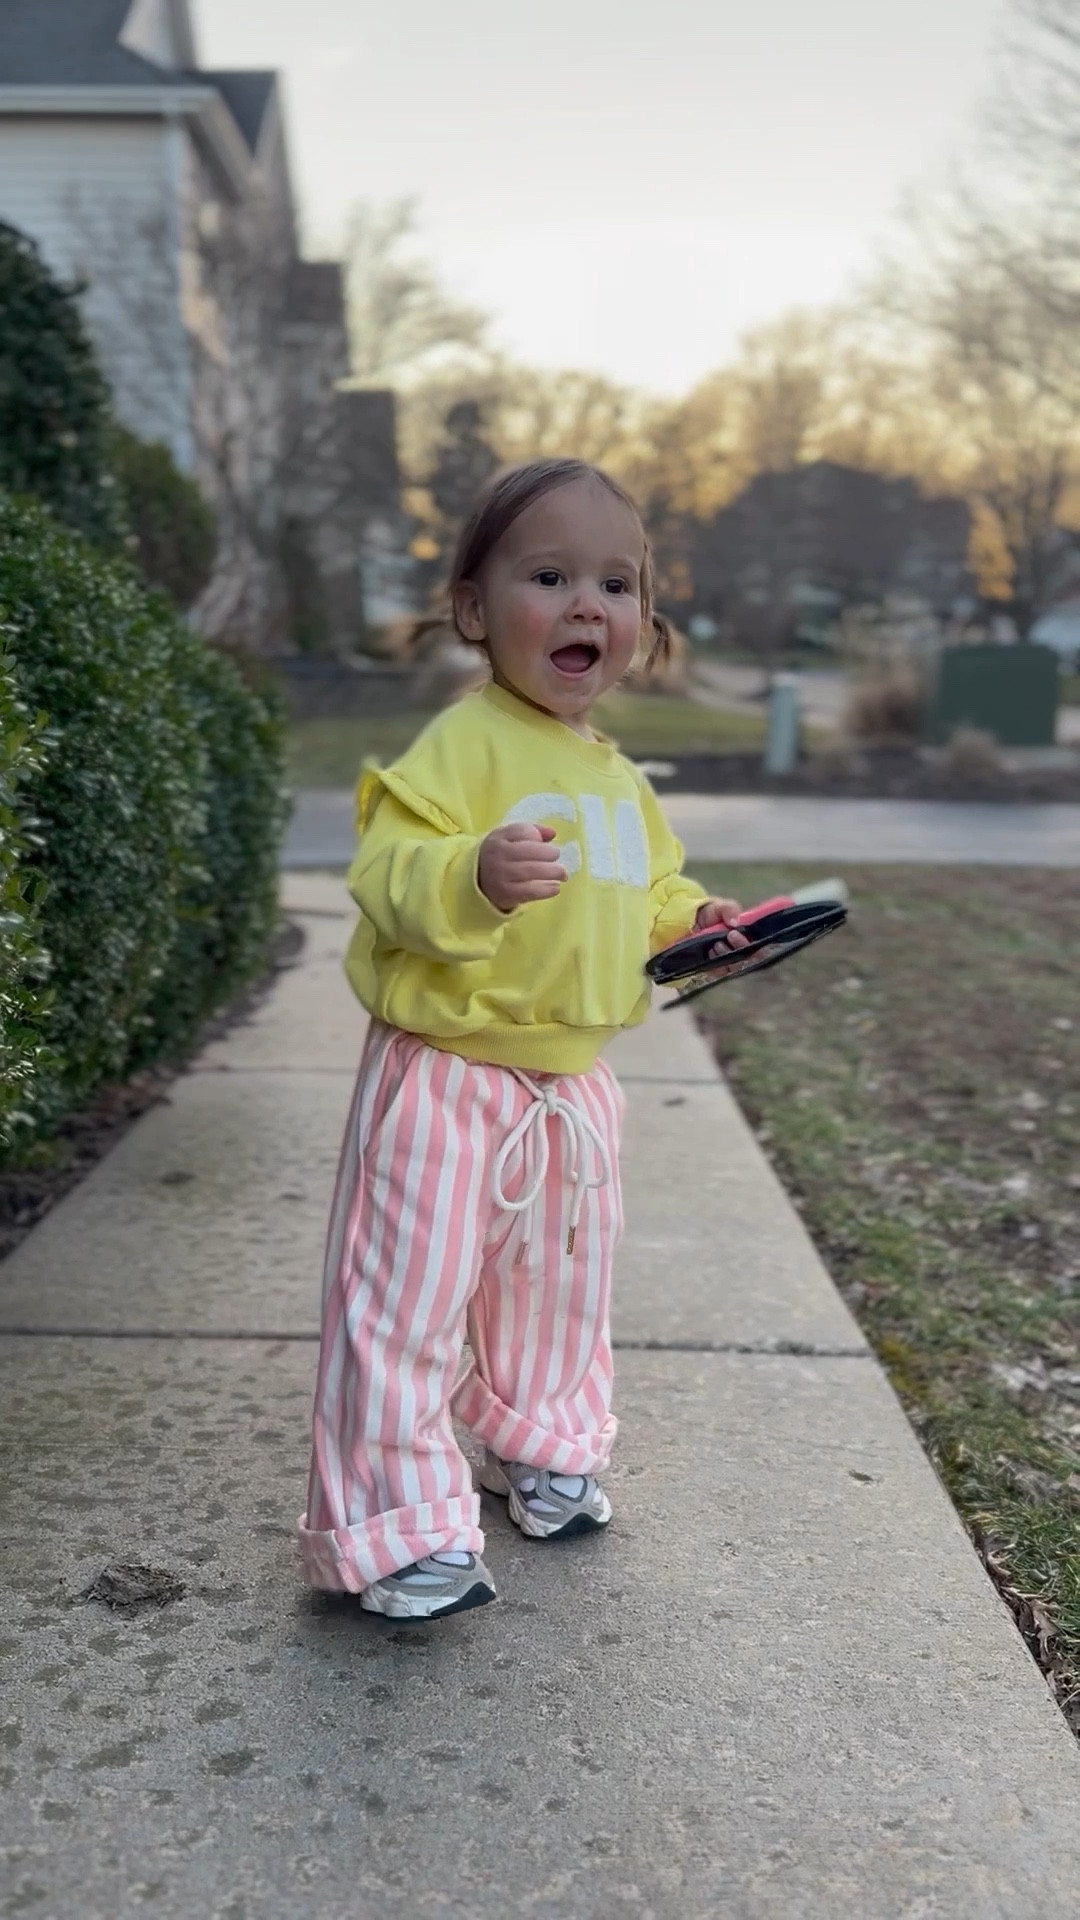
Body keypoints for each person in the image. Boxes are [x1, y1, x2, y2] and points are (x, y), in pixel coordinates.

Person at [298, 457, 745, 1619]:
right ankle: (394, 1527)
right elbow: (389, 872)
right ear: (473, 609)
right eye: (548, 577)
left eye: (616, 584)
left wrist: (695, 921)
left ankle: (537, 1443)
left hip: (568, 1085)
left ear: (644, 623)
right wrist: (471, 874)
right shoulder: (462, 746)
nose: (586, 604)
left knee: (556, 1293)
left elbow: (648, 889)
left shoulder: (617, 779)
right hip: (444, 1075)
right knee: (402, 1305)